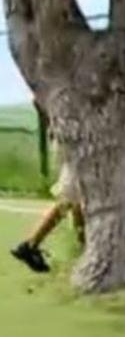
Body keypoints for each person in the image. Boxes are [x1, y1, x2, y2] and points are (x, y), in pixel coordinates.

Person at [11, 107, 84, 273]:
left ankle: (81, 247)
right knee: (72, 196)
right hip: (71, 136)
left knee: (76, 198)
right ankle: (30, 244)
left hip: (66, 133)